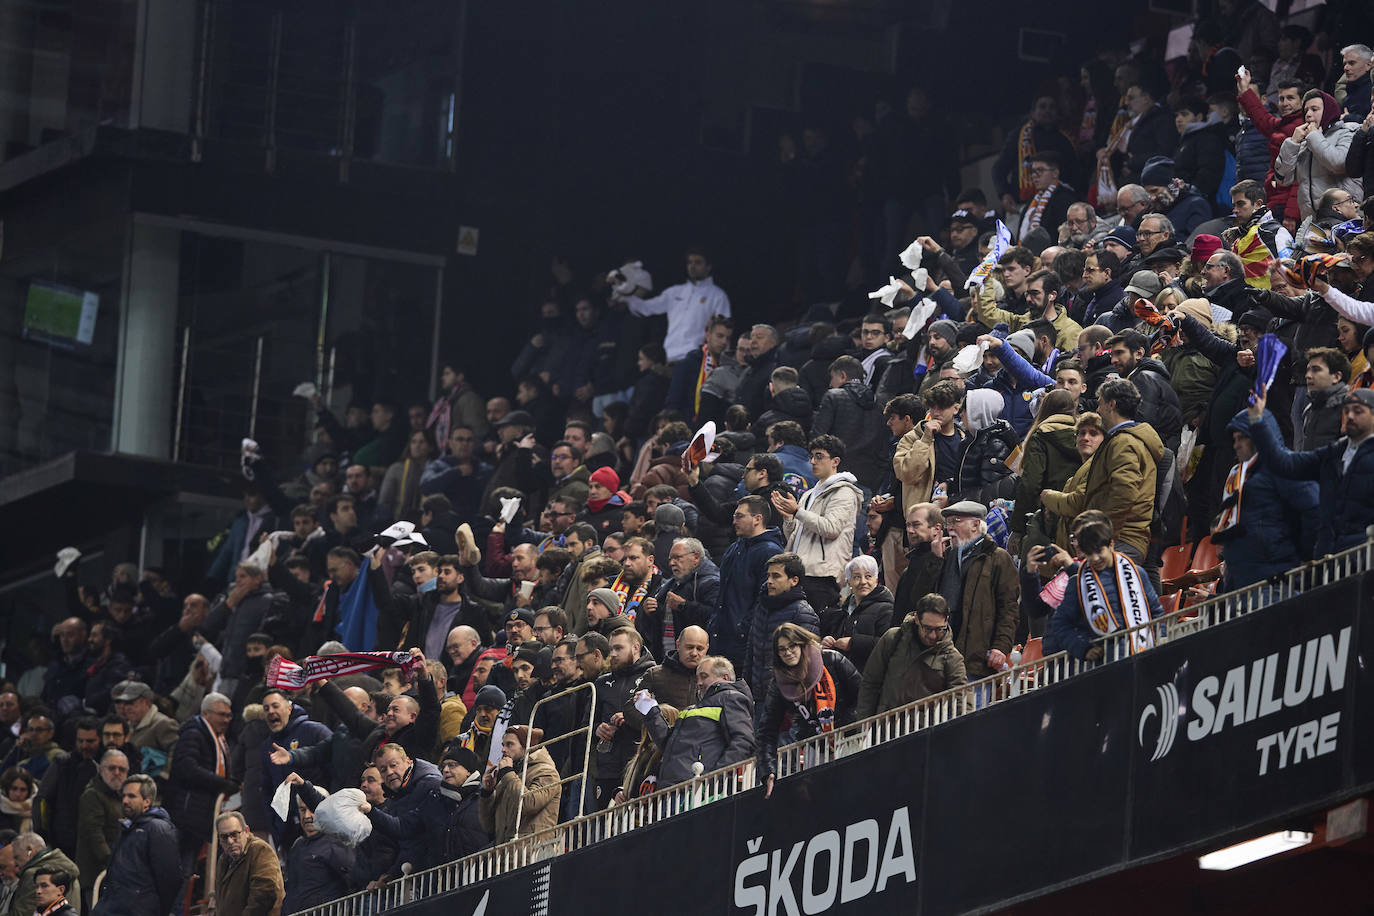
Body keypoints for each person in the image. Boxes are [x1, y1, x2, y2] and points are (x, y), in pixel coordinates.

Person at [1041, 378, 1163, 569]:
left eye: (1099, 403)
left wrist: (1102, 537)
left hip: (1121, 540)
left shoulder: (1124, 442)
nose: (1098, 410)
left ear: (1111, 404)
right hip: (1119, 539)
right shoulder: (1121, 440)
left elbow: (1124, 493)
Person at [1245, 387, 1374, 557]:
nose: (1350, 416)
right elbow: (1285, 463)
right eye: (1347, 410)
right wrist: (1257, 420)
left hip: (1363, 557)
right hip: (1327, 559)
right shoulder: (1333, 452)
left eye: (1358, 411)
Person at [1041, 510, 1166, 662]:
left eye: (1099, 551)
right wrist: (1084, 649)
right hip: (1103, 668)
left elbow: (1155, 612)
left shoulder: (1137, 573)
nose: (1094, 558)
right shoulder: (1077, 582)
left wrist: (1162, 638)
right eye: (1089, 553)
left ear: (1111, 543)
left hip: (1143, 658)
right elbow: (1059, 625)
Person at [756, 623, 860, 795]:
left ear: (802, 644)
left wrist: (848, 723)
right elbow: (766, 730)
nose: (788, 652)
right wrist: (768, 771)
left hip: (851, 739)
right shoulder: (778, 684)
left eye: (792, 646)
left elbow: (863, 695)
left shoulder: (832, 660)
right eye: (782, 649)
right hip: (816, 749)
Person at [770, 435, 863, 613]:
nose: (813, 461)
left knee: (813, 633)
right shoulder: (809, 493)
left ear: (835, 461)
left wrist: (797, 512)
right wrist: (789, 519)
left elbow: (831, 528)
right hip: (799, 571)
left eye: (819, 456)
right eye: (811, 456)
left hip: (822, 575)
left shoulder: (844, 492)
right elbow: (795, 536)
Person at [638, 656, 756, 788]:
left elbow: (743, 741)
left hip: (699, 790)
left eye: (704, 676)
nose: (699, 683)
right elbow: (669, 745)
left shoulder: (731, 698)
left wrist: (713, 780)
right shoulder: (691, 709)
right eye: (697, 678)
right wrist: (650, 710)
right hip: (673, 788)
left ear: (725, 678)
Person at [936, 502, 1019, 682]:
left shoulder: (998, 558)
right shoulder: (945, 555)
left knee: (971, 708)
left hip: (976, 660)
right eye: (947, 523)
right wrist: (934, 561)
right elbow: (924, 599)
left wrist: (1000, 646)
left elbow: (1009, 609)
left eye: (955, 521)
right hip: (941, 656)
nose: (949, 528)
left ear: (976, 525)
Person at [856, 593, 968, 717]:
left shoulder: (952, 657)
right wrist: (863, 727)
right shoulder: (893, 638)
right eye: (927, 628)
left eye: (939, 629)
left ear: (946, 620)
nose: (932, 635)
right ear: (916, 619)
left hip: (924, 732)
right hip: (885, 728)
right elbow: (870, 683)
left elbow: (962, 700)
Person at [163, 692, 238, 878]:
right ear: (206, 714)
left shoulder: (217, 738)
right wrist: (222, 784)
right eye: (222, 714)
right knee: (179, 870)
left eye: (229, 715)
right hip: (185, 816)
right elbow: (187, 768)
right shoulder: (194, 734)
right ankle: (176, 908)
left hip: (199, 816)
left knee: (188, 870)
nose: (227, 720)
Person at [709, 496, 785, 672]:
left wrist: (743, 629)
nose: (734, 521)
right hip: (721, 635)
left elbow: (765, 598)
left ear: (757, 519)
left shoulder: (770, 552)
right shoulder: (735, 548)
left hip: (743, 641)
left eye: (739, 516)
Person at [619, 248, 732, 363]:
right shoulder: (674, 292)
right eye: (689, 262)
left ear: (708, 267)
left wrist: (721, 363)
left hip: (696, 358)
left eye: (697, 262)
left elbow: (725, 331)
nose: (692, 266)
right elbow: (646, 308)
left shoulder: (717, 295)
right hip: (669, 357)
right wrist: (624, 294)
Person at [90, 774, 179, 916]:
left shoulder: (158, 829)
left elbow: (169, 879)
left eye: (131, 796)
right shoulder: (128, 828)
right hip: (112, 907)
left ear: (147, 802)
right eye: (124, 796)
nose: (125, 801)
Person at [356, 743, 446, 877]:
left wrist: (370, 811)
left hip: (440, 870)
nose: (390, 772)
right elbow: (408, 845)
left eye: (393, 765)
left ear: (408, 761)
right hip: (420, 872)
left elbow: (406, 830)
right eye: (383, 769)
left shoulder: (431, 785)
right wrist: (391, 876)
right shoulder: (394, 798)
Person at [1274, 89, 1361, 224]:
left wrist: (1314, 137)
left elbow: (1338, 164)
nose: (1308, 115)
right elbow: (1283, 179)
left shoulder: (1348, 131)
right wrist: (1292, 143)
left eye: (1314, 109)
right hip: (1312, 222)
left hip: (1345, 219)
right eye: (1306, 111)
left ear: (1328, 111)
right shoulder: (1305, 142)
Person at [591, 629, 655, 809]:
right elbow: (585, 725)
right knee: (602, 828)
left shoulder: (654, 675)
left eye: (618, 648)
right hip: (606, 769)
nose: (612, 654)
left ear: (636, 647)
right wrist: (597, 729)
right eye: (610, 649)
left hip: (639, 764)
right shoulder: (601, 683)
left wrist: (630, 717)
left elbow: (662, 718)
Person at [811, 358, 886, 489]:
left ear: (843, 376)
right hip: (869, 477)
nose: (830, 383)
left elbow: (818, 436)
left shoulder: (833, 396)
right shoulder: (879, 403)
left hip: (836, 475)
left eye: (832, 378)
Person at [477, 725, 560, 843]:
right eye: (503, 745)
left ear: (526, 746)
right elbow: (489, 826)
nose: (503, 750)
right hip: (506, 855)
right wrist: (487, 793)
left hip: (532, 853)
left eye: (509, 744)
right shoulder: (510, 776)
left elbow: (529, 804)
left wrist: (508, 773)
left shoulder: (546, 772)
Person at [622, 624, 708, 733]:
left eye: (700, 648)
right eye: (689, 647)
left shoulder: (714, 679)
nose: (694, 653)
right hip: (660, 744)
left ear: (707, 648)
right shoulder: (655, 674)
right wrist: (657, 728)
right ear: (678, 645)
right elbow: (630, 709)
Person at [1106, 329, 1183, 450]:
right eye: (1112, 355)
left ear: (1139, 353)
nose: (1113, 360)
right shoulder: (1146, 375)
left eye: (1119, 353)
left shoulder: (1144, 378)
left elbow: (1141, 424)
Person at [280, 786, 353, 914]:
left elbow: (352, 882)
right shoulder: (297, 845)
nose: (307, 816)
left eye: (312, 809)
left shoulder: (336, 841)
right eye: (302, 810)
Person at [645, 539, 719, 661]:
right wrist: (650, 610)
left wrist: (684, 606)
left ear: (695, 557)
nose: (672, 563)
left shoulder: (711, 582)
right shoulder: (671, 583)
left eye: (677, 557)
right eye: (670, 559)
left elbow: (714, 617)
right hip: (668, 657)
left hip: (696, 659)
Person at [819, 556, 894, 675]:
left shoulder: (886, 609)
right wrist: (828, 643)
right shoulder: (842, 611)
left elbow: (889, 645)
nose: (863, 582)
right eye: (857, 577)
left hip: (871, 677)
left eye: (868, 576)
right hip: (844, 676)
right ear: (849, 581)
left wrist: (853, 643)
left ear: (876, 579)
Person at [213, 811, 284, 916]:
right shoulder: (223, 860)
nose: (230, 841)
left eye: (234, 834)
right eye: (224, 837)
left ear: (246, 831)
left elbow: (264, 893)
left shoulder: (260, 850)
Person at [8, 832, 80, 916]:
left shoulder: (33, 874)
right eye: (37, 887)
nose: (15, 864)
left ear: (29, 850)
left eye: (17, 857)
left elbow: (22, 914)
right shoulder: (67, 869)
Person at [1301, 347, 1351, 450]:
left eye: (1316, 370)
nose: (1308, 376)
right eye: (1307, 370)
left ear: (1336, 377)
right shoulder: (1310, 408)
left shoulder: (1349, 405)